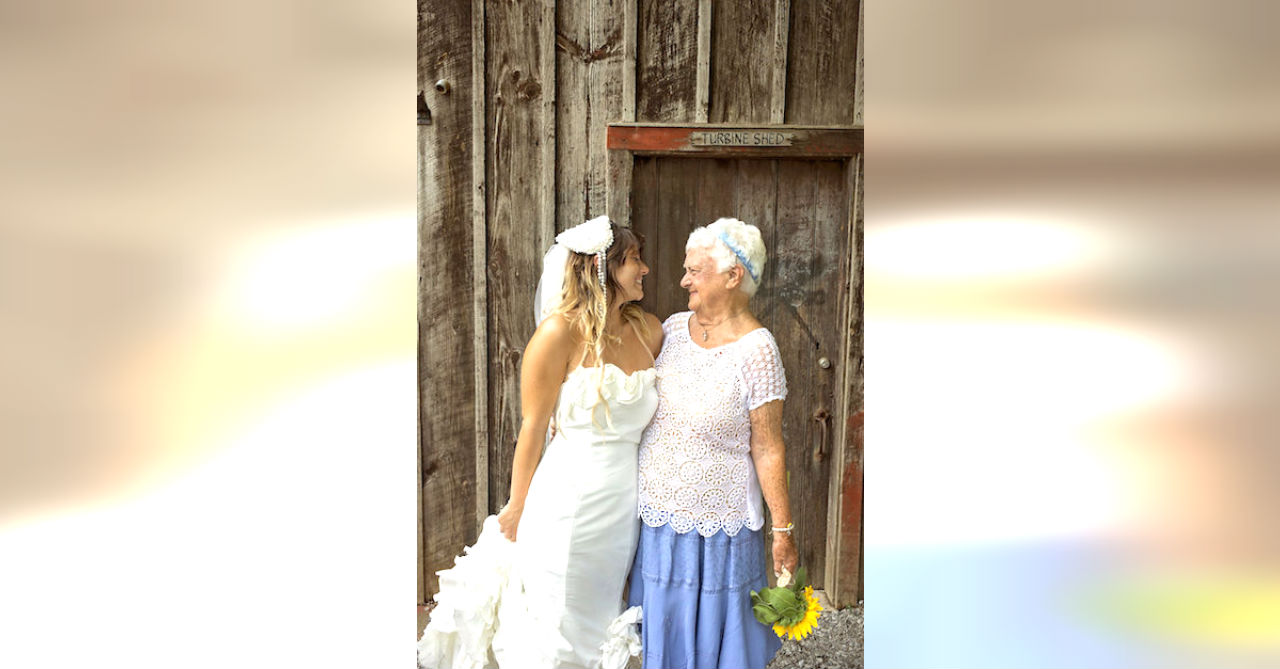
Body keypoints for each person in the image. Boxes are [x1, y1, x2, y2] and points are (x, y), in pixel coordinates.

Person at [418, 216, 663, 669]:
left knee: (602, 613)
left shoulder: (649, 330)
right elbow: (533, 426)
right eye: (633, 261)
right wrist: (517, 504)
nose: (644, 269)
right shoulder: (557, 334)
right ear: (600, 268)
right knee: (560, 616)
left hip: (625, 503)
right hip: (569, 501)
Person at [627, 217, 798, 669]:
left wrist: (783, 532)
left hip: (718, 532)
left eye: (695, 271)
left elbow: (767, 447)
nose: (683, 280)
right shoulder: (672, 328)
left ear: (732, 275)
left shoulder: (757, 350)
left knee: (715, 648)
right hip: (659, 519)